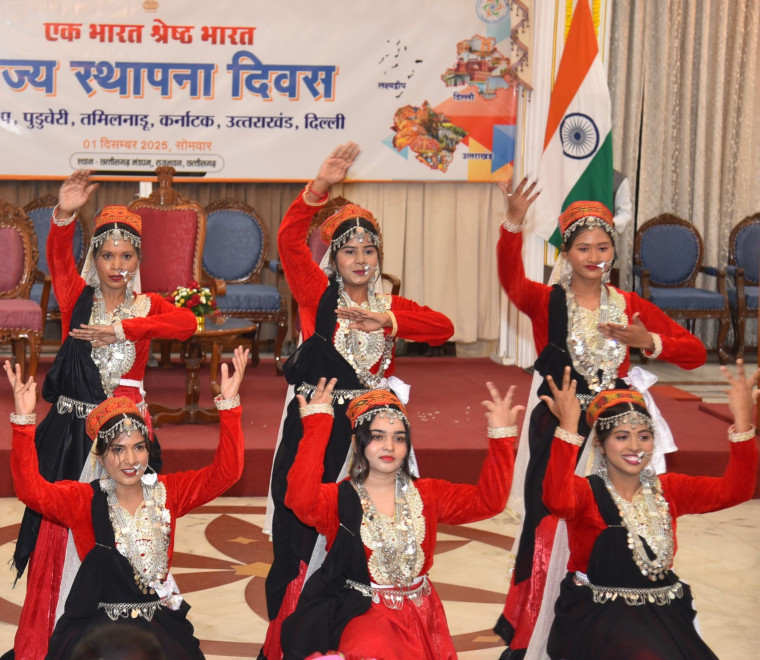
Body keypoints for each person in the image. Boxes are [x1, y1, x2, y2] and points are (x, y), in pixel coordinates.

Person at [493, 180, 707, 657]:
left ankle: (620, 617)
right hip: (563, 429)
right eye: (584, 248)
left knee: (620, 525)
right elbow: (511, 281)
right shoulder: (547, 302)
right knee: (551, 525)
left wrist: (647, 341)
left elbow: (694, 353)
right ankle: (541, 627)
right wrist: (512, 224)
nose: (595, 256)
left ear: (614, 251)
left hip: (618, 433)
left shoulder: (629, 305)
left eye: (603, 247)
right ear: (566, 254)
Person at [263, 143, 455, 655]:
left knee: (371, 533)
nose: (361, 260)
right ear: (333, 258)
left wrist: (387, 320)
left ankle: (364, 629)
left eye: (369, 251)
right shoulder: (316, 293)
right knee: (304, 532)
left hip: (373, 436)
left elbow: (443, 328)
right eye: (349, 250)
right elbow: (288, 241)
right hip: (320, 428)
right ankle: (297, 638)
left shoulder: (391, 304)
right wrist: (317, 189)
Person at [8, 170, 198, 659]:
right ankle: (61, 636)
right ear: (94, 257)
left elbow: (186, 323)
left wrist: (126, 330)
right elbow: (57, 259)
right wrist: (64, 215)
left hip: (127, 439)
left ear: (138, 260)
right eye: (107, 255)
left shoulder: (148, 305)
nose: (117, 265)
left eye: (126, 256)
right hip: (76, 438)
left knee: (129, 534)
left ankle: (130, 634)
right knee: (69, 530)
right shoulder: (78, 299)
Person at [6, 347, 250, 660]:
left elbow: (227, 473)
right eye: (118, 450)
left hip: (158, 625)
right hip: (100, 633)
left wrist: (229, 408)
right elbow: (31, 491)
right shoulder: (83, 500)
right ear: (100, 456)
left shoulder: (168, 492)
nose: (130, 460)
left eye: (138, 447)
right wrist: (23, 424)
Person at [278, 381, 519, 659]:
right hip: (364, 615)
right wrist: (317, 426)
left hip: (423, 617)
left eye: (399, 438)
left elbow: (489, 502)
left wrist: (501, 438)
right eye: (377, 436)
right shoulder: (338, 499)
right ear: (357, 443)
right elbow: (299, 500)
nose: (389, 446)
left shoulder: (428, 494)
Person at [532, 362, 757, 658]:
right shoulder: (585, 493)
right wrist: (568, 430)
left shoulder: (670, 489)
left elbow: (736, 491)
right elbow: (556, 499)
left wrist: (742, 422)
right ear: (600, 443)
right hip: (599, 617)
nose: (635, 446)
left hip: (664, 614)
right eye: (621, 436)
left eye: (644, 436)